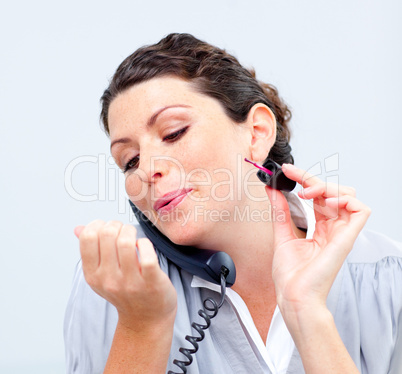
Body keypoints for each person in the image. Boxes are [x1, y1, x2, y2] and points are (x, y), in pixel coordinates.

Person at [64, 33, 402, 374]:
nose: (148, 170)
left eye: (173, 133)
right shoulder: (117, 282)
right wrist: (142, 327)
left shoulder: (389, 278)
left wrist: (307, 313)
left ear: (256, 133)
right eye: (130, 160)